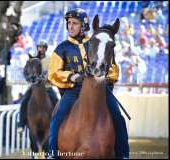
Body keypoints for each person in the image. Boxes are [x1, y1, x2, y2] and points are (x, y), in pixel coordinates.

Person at [47, 8, 129, 159]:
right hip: (73, 91)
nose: (70, 26)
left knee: (118, 117)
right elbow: (52, 74)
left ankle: (123, 155)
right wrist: (71, 76)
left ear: (84, 26)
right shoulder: (61, 48)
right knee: (56, 118)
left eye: (75, 23)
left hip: (100, 90)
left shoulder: (97, 41)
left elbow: (113, 69)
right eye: (69, 23)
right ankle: (52, 154)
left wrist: (106, 75)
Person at [17, 40, 59, 132]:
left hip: (47, 87)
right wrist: (29, 78)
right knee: (24, 101)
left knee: (56, 101)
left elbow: (52, 72)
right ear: (37, 48)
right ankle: (21, 124)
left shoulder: (50, 59)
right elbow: (26, 71)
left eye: (43, 47)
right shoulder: (32, 59)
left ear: (46, 49)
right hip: (34, 87)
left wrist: (45, 78)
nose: (41, 49)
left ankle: (58, 123)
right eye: (40, 47)